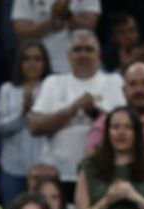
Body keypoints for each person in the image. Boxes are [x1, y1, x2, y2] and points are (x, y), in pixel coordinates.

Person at [28, 30, 125, 190]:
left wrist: (95, 112)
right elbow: (35, 126)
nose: (83, 55)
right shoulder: (53, 82)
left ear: (99, 54)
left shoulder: (114, 81)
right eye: (77, 50)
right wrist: (72, 109)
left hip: (102, 174)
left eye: (89, 49)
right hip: (57, 174)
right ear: (68, 55)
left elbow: (125, 125)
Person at [0, 39, 53, 206]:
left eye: (37, 59)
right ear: (19, 63)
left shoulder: (52, 88)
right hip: (13, 166)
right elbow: (1, 128)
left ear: (45, 62)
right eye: (26, 59)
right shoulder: (7, 90)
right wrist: (23, 112)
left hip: (45, 164)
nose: (32, 63)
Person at [10, 0, 102, 74]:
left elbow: (90, 24)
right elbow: (22, 34)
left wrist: (66, 14)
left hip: (82, 65)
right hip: (44, 68)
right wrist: (52, 21)